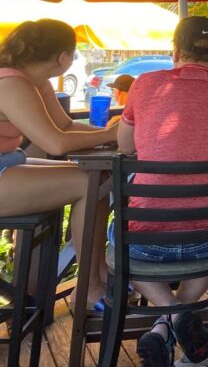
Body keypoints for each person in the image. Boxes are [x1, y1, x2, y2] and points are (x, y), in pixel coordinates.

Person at [116, 16, 208, 367]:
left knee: (117, 247)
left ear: (175, 50)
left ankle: (169, 320)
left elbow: (125, 146)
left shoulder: (145, 84)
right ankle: (178, 321)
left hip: (145, 240)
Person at [0, 20, 119, 313]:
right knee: (88, 183)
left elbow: (64, 125)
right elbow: (55, 143)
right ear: (64, 57)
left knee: (98, 176)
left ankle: (99, 274)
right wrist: (113, 134)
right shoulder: (12, 83)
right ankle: (90, 290)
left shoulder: (34, 81)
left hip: (8, 162)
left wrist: (112, 135)